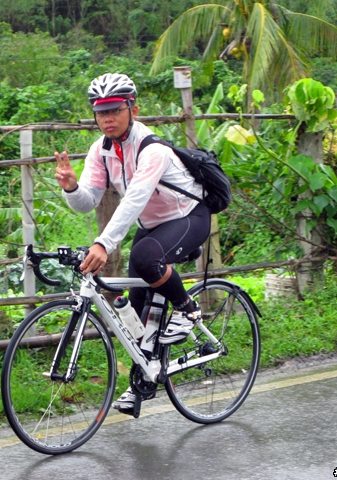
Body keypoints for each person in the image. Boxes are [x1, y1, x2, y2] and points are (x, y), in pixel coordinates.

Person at [54, 73, 211, 414]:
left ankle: (188, 310)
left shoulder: (151, 149)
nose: (107, 118)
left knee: (144, 257)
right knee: (137, 315)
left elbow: (134, 200)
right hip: (153, 227)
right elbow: (88, 201)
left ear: (133, 109)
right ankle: (142, 383)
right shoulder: (101, 150)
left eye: (115, 110)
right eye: (100, 112)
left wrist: (103, 244)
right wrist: (70, 187)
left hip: (188, 217)